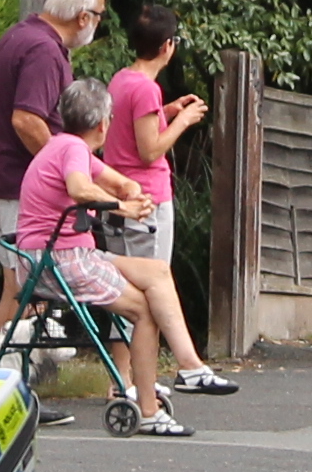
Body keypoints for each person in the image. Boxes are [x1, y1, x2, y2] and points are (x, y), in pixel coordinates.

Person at [14, 79, 199, 432]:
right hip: (59, 260)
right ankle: (147, 409)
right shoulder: (72, 151)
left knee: (157, 272)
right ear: (103, 124)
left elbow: (114, 179)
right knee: (144, 310)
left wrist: (132, 192)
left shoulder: (63, 145)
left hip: (59, 254)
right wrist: (123, 208)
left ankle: (191, 367)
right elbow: (80, 188)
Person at [96, 2, 233, 401]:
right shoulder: (145, 87)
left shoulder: (122, 80)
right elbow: (150, 149)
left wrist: (165, 110)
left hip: (119, 200)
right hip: (147, 203)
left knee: (123, 295)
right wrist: (181, 122)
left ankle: (125, 379)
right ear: (168, 46)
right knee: (152, 293)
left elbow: (126, 129)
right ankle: (153, 376)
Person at [0, 0, 106, 335]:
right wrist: (60, 170)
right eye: (98, 16)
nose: (96, 25)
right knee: (29, 290)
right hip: (20, 186)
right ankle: (16, 376)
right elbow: (26, 120)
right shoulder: (43, 50)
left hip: (4, 181)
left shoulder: (20, 36)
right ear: (83, 17)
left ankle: (4, 376)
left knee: (16, 287)